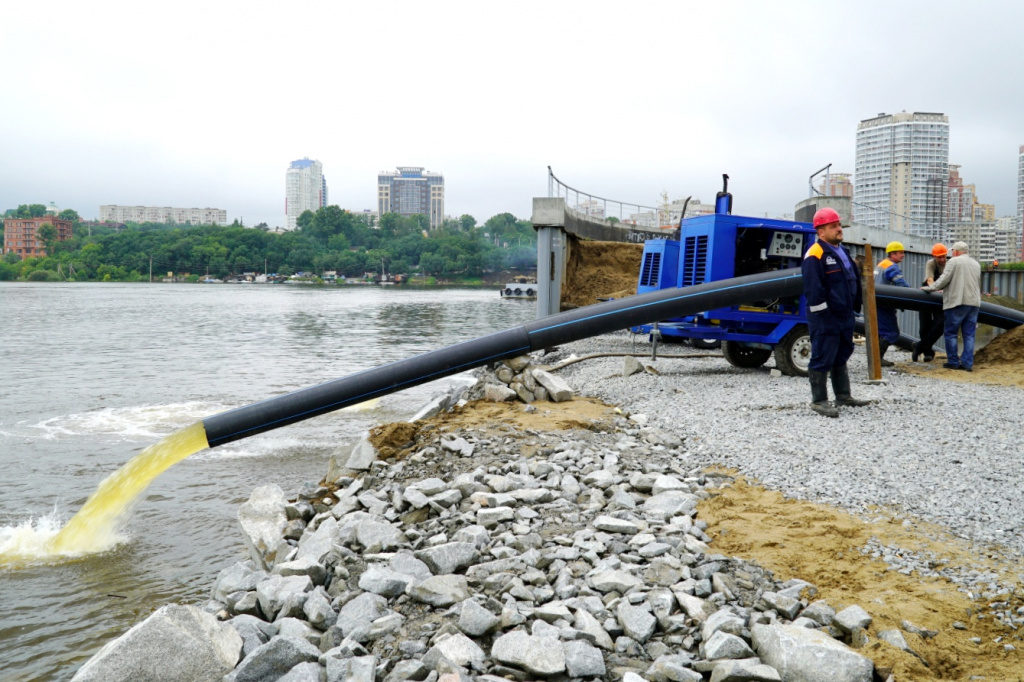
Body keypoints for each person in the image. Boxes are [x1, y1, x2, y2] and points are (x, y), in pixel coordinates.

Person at [802, 207, 871, 417]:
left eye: (839, 225)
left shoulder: (842, 251)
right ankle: (819, 400)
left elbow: (851, 281)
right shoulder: (815, 253)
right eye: (834, 226)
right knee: (823, 354)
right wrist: (824, 316)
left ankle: (843, 395)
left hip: (844, 315)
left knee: (841, 354)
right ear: (821, 231)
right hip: (826, 317)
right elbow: (814, 288)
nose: (839, 229)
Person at [921, 241, 981, 371]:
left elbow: (943, 280)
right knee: (969, 335)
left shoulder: (953, 262)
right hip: (974, 304)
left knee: (951, 333)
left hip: (956, 302)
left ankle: (953, 361)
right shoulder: (976, 264)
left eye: (953, 251)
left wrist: (929, 288)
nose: (951, 254)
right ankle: (967, 364)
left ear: (957, 252)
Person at [874, 241, 910, 366]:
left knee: (881, 332)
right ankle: (877, 360)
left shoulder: (881, 264)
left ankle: (876, 359)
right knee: (892, 333)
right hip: (885, 305)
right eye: (901, 253)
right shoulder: (892, 267)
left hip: (877, 303)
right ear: (892, 254)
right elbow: (902, 285)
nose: (903, 255)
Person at [913, 243, 948, 362]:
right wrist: (935, 288)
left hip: (942, 295)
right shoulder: (931, 263)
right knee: (924, 325)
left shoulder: (949, 265)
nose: (942, 259)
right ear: (934, 256)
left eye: (944, 256)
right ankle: (928, 352)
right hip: (928, 293)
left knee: (940, 324)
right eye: (939, 257)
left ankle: (919, 346)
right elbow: (929, 279)